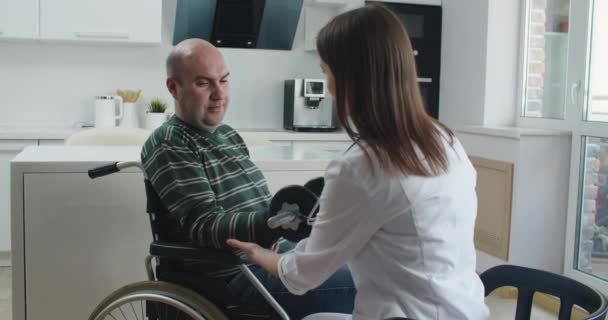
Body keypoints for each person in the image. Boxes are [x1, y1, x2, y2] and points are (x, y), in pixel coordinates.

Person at [227, 4, 490, 320]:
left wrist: (260, 256)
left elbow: (302, 276)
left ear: (350, 76)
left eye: (325, 70)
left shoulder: (361, 165)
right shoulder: (444, 140)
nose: (327, 85)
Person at [140, 38, 356, 319]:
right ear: (173, 87)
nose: (219, 94)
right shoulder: (170, 143)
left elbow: (261, 208)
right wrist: (274, 222)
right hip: (235, 276)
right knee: (360, 282)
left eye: (224, 80)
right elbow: (205, 225)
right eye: (204, 83)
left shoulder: (228, 135)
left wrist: (295, 215)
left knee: (364, 263)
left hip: (271, 258)